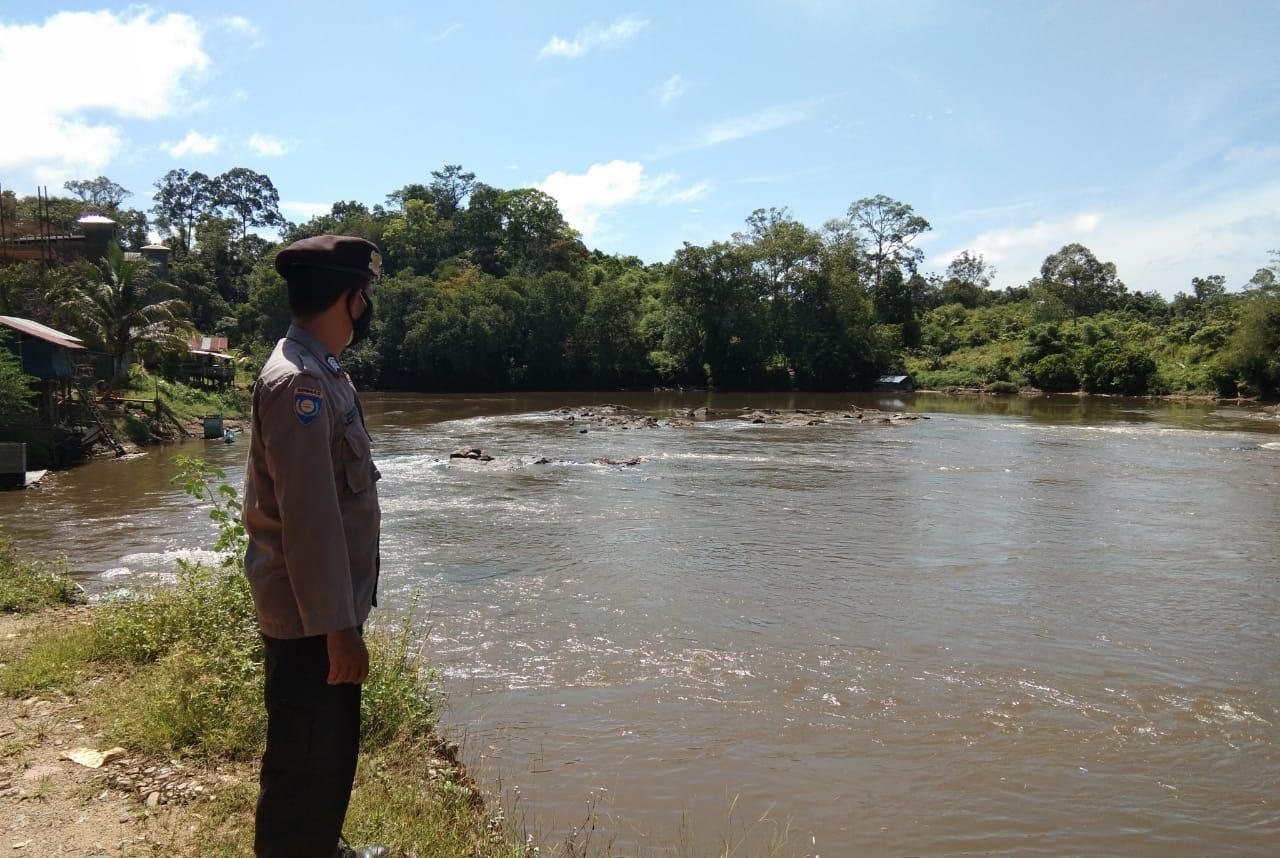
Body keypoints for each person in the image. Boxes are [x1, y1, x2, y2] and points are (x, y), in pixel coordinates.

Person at [241, 234, 388, 858]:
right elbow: (308, 518)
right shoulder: (298, 383)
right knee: (305, 755)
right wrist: (338, 628)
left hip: (321, 612)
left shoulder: (322, 372)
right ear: (351, 299)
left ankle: (320, 846)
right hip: (310, 619)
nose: (368, 307)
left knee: (327, 748)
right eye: (366, 294)